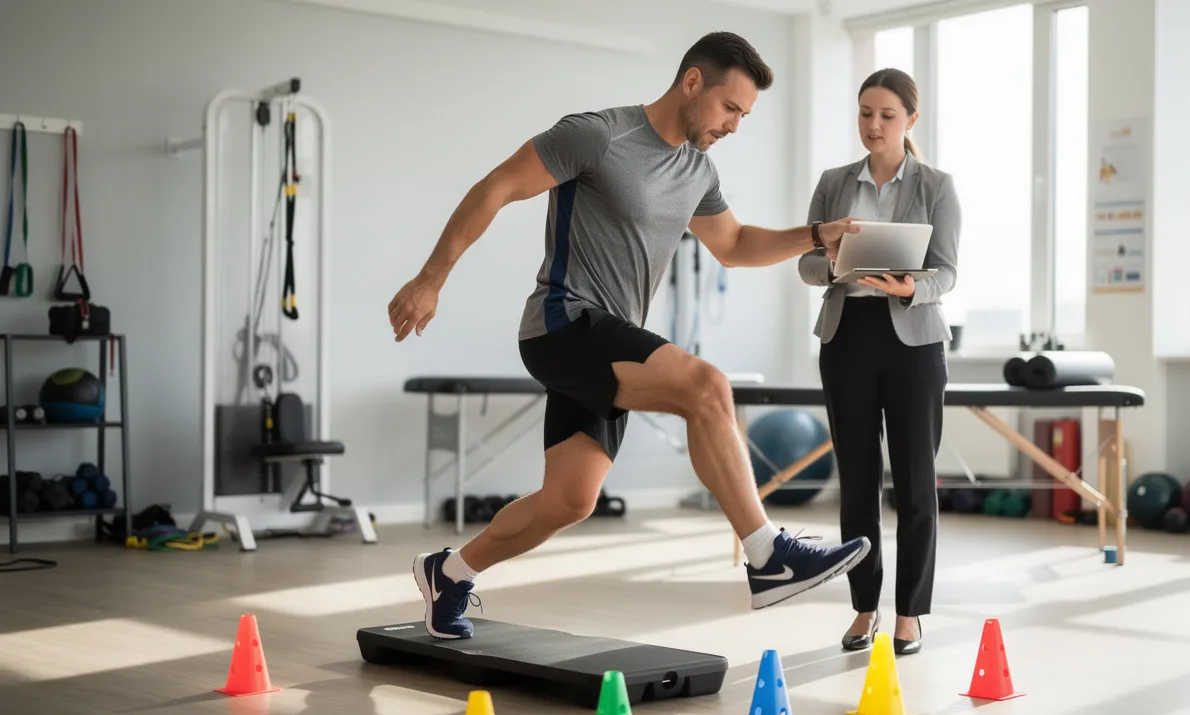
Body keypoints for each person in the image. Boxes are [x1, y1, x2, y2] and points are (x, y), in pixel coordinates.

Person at [387, 31, 872, 640]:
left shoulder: (698, 169)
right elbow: (497, 187)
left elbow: (733, 244)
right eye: (730, 108)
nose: (734, 125)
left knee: (569, 500)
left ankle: (448, 574)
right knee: (706, 386)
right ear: (693, 81)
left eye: (744, 116)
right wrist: (432, 278)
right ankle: (766, 555)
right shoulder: (599, 134)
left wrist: (816, 234)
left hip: (609, 337)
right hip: (563, 321)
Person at [796, 68, 961, 655]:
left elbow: (946, 271)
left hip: (913, 339)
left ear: (910, 120)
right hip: (846, 337)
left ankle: (910, 613)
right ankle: (864, 608)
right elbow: (806, 264)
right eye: (865, 113)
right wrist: (834, 260)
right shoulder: (834, 182)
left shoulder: (935, 185)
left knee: (916, 482)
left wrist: (906, 288)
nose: (873, 125)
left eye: (887, 115)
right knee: (858, 482)